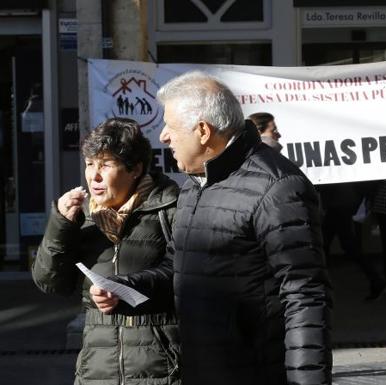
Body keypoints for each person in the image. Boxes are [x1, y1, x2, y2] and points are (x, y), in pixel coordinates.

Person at [157, 71, 332, 385]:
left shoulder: (277, 186)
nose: (163, 136)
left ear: (202, 131)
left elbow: (304, 294)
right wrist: (124, 289)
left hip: (256, 372)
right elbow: (178, 265)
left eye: (170, 125)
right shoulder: (195, 183)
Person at [31, 118, 181, 385]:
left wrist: (124, 289)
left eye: (106, 165)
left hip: (160, 368)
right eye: (90, 164)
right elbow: (50, 283)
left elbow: (184, 274)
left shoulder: (169, 207)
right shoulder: (83, 215)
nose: (94, 176)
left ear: (135, 169)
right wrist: (60, 225)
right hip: (96, 370)